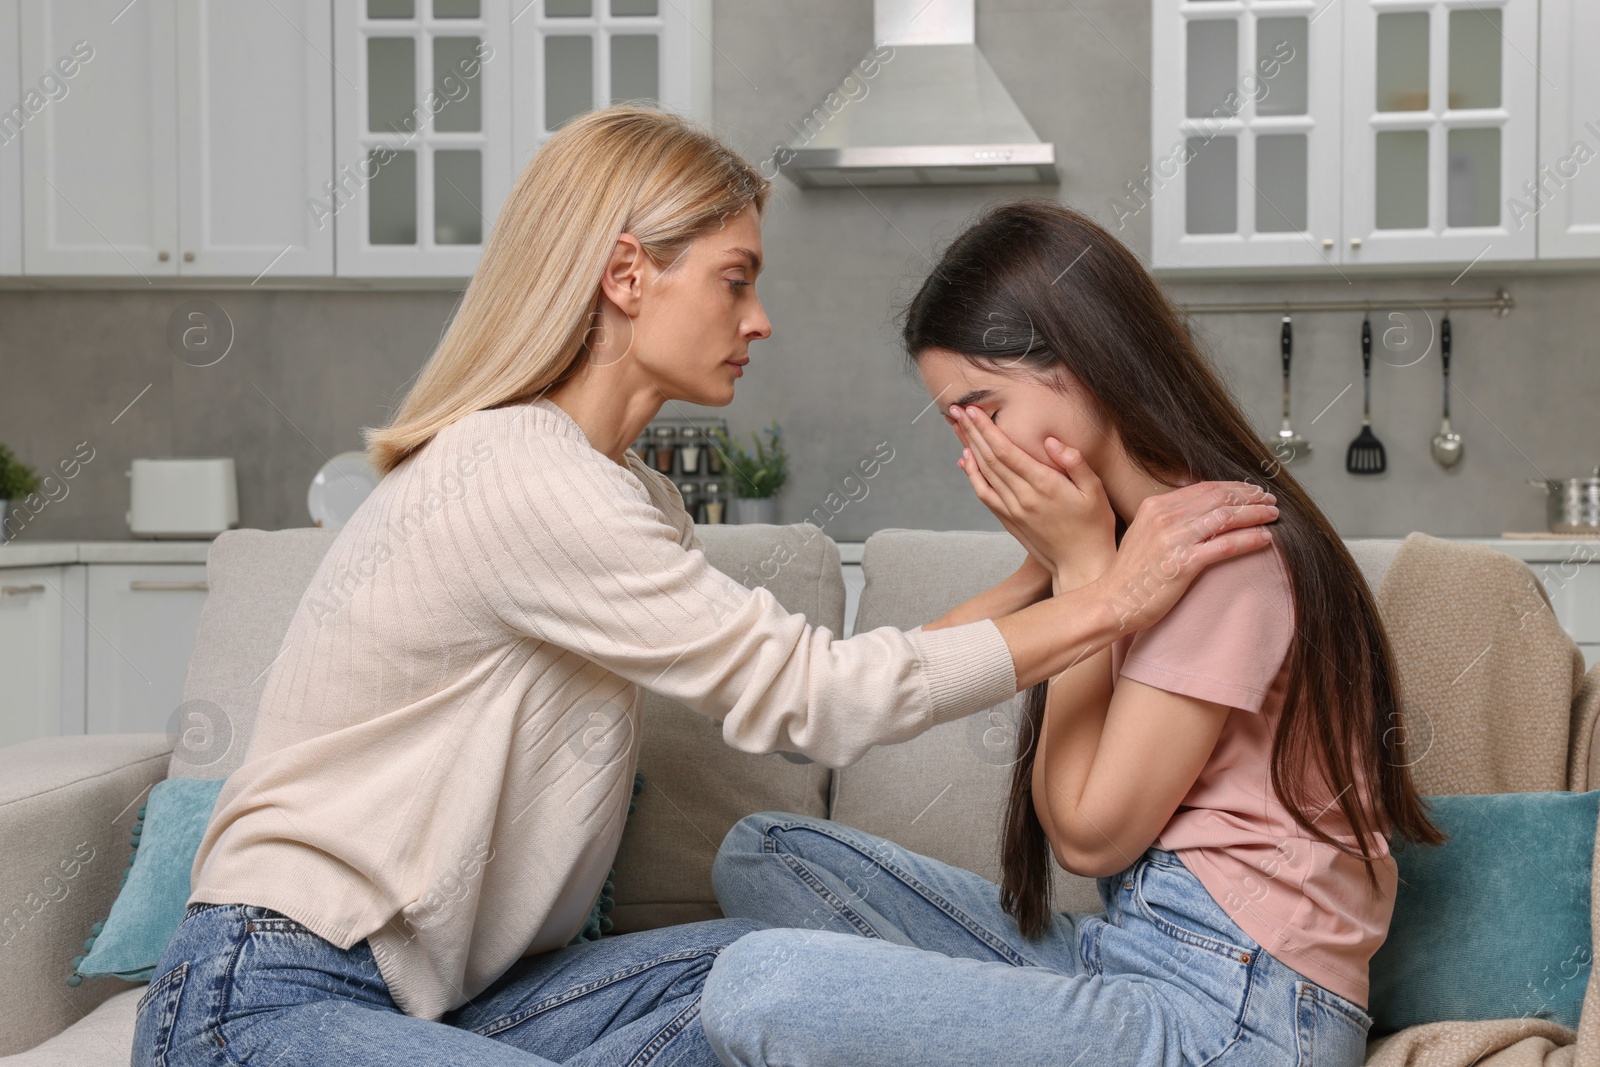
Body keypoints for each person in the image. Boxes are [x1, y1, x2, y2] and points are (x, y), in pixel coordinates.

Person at [132, 113, 1278, 1067]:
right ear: (627, 274)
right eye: (735, 279)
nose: (759, 319)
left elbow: (837, 683)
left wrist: (1051, 565)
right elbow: (817, 696)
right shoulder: (521, 476)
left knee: (764, 977)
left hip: (454, 1003)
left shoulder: (622, 495)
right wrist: (1105, 595)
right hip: (271, 999)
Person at [701, 199, 1449, 1067]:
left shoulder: (1222, 548)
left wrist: (1088, 574)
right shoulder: (1135, 545)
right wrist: (1061, 566)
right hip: (1126, 959)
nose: (971, 451)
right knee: (763, 851)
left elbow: (1090, 836)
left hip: (1237, 1012)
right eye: (953, 420)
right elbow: (889, 672)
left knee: (760, 985)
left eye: (982, 407)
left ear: (1087, 365)